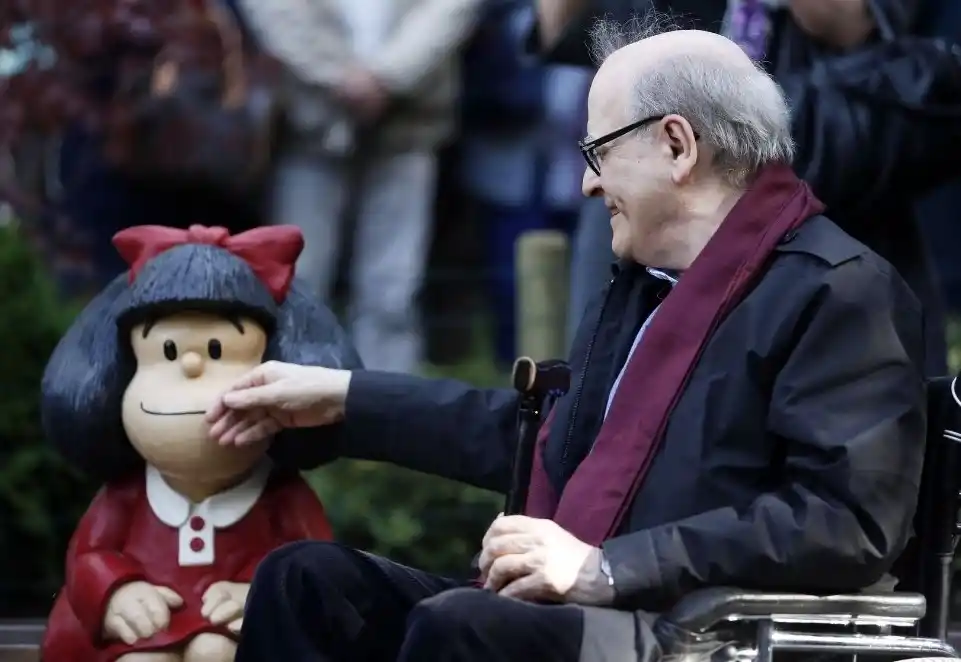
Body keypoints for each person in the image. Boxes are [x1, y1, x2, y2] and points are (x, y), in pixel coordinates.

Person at [209, 21, 926, 662]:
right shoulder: (644, 287)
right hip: (604, 613)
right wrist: (346, 399)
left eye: (598, 150)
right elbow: (546, 443)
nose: (586, 184)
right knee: (305, 582)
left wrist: (605, 567)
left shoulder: (838, 290)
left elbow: (842, 523)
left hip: (696, 630)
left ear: (676, 145)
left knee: (466, 628)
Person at [542, 0, 950, 375]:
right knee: (607, 396)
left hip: (804, 189)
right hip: (640, 185)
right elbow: (561, 31)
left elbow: (850, 22)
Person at [233, 0, 482, 374]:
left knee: (393, 290)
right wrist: (338, 74)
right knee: (299, 282)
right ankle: (289, 402)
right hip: (309, 123)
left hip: (409, 123)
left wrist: (388, 76)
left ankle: (390, 411)